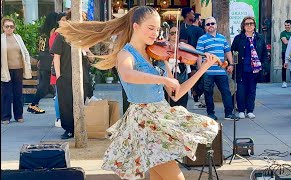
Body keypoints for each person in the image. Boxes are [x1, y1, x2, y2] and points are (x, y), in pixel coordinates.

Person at [57, 6, 220, 179]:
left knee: (160, 176)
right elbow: (128, 74)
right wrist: (163, 79)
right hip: (145, 123)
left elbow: (176, 93)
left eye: (157, 29)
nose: (155, 34)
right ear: (135, 26)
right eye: (150, 28)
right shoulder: (126, 54)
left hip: (161, 118)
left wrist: (203, 68)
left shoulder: (157, 55)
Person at [50, 12, 92, 139]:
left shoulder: (84, 37)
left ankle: (80, 128)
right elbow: (56, 56)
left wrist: (87, 50)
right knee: (66, 104)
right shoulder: (62, 35)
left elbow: (91, 59)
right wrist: (58, 76)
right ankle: (69, 129)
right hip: (65, 75)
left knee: (82, 102)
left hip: (82, 76)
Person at [196, 17, 236, 120]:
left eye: (212, 23)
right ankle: (210, 114)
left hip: (221, 71)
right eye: (208, 24)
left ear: (216, 25)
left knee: (226, 92)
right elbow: (199, 56)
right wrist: (200, 70)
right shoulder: (202, 39)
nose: (210, 26)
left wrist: (231, 64)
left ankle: (229, 113)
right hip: (207, 71)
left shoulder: (222, 38)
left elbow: (228, 51)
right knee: (208, 93)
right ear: (205, 27)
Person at [231, 16, 268, 119]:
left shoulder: (259, 38)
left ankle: (250, 110)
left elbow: (265, 53)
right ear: (243, 26)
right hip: (242, 69)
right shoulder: (238, 38)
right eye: (247, 24)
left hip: (255, 69)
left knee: (252, 90)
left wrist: (263, 65)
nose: (249, 25)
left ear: (254, 25)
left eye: (251, 23)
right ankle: (241, 110)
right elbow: (233, 52)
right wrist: (233, 65)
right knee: (241, 90)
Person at [27, 12, 59, 114]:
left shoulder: (42, 31)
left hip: (42, 60)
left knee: (47, 85)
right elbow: (52, 46)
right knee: (44, 86)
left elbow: (40, 47)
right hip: (49, 61)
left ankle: (35, 104)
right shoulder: (52, 32)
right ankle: (33, 104)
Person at [1, 17, 32, 124]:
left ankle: (19, 115)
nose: (9, 28)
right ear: (3, 27)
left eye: (11, 26)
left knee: (18, 93)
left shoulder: (18, 37)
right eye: (7, 26)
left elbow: (25, 52)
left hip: (18, 69)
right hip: (5, 70)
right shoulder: (1, 39)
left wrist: (27, 65)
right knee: (6, 94)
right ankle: (5, 117)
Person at [164, 25, 191, 108]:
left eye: (176, 33)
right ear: (168, 35)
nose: (174, 35)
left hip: (181, 76)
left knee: (182, 105)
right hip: (169, 75)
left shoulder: (182, 47)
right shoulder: (165, 47)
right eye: (172, 33)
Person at [280, 20, 291, 88]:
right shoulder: (282, 33)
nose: (286, 27)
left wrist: (290, 41)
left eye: (288, 25)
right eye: (285, 25)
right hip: (284, 51)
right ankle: (284, 82)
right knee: (284, 66)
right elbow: (285, 42)